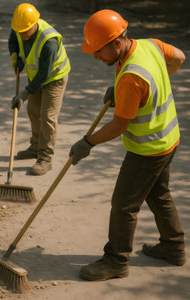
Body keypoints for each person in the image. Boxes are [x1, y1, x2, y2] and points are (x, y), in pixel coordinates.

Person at [70, 9, 186, 281]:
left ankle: (116, 261)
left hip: (147, 150)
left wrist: (87, 142)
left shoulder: (132, 76)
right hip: (169, 140)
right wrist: (137, 90)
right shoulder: (150, 45)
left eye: (99, 51)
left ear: (117, 43)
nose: (96, 57)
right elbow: (179, 56)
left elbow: (119, 126)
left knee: (123, 205)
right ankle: (174, 247)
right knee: (159, 195)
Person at [9, 3, 71, 175]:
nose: (22, 34)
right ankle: (36, 146)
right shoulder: (20, 27)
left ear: (34, 24)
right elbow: (13, 39)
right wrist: (14, 55)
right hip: (35, 76)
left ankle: (45, 157)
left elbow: (44, 75)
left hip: (54, 78)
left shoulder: (48, 40)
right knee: (33, 111)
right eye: (19, 30)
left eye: (25, 31)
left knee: (48, 117)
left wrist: (24, 93)